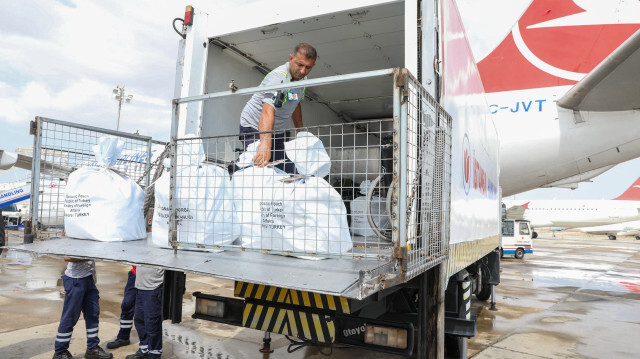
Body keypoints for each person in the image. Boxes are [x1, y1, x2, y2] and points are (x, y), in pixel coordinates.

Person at [239, 42, 317, 174]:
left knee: (287, 171)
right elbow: (267, 111)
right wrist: (265, 144)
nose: (303, 71)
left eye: (308, 67)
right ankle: (235, 168)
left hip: (277, 132)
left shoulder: (303, 81)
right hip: (254, 126)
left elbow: (295, 102)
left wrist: (300, 131)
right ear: (291, 58)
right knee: (260, 168)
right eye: (300, 64)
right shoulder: (279, 78)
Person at [52, 258, 112, 359]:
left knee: (93, 313)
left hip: (88, 279)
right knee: (70, 317)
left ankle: (92, 348)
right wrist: (90, 255)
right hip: (75, 280)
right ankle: (60, 352)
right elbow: (67, 257)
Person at [126, 266, 165, 359]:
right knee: (139, 320)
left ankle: (155, 354)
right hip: (140, 286)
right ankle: (144, 349)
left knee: (152, 323)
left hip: (154, 287)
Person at [106, 266, 137, 349]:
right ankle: (123, 337)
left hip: (151, 278)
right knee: (127, 305)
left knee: (147, 310)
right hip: (135, 274)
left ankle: (149, 344)